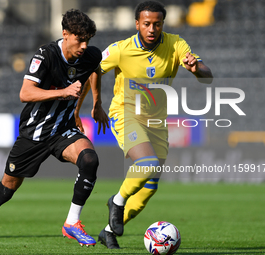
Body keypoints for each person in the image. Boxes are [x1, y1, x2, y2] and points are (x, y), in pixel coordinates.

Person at [0, 9, 109, 255]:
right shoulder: (46, 55)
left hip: (63, 130)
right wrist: (63, 92)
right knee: (5, 191)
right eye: (80, 39)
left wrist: (96, 104)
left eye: (87, 40)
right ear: (65, 34)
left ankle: (71, 222)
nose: (84, 45)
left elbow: (95, 70)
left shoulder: (90, 55)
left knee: (90, 159)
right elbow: (25, 93)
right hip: (34, 134)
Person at [80, 0, 213, 249]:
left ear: (163, 24)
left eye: (157, 24)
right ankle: (116, 202)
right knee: (146, 163)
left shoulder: (176, 44)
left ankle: (108, 231)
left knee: (148, 187)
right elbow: (92, 70)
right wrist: (95, 104)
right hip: (125, 114)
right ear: (137, 24)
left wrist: (196, 69)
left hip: (156, 122)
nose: (152, 28)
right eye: (147, 24)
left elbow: (207, 77)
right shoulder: (121, 49)